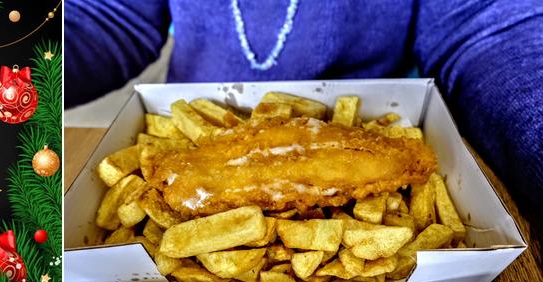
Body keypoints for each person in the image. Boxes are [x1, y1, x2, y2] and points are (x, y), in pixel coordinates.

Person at [65, 0, 543, 205]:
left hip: (369, 117)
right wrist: (3, 74)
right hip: (193, 119)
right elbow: (108, 14)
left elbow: (489, 27)